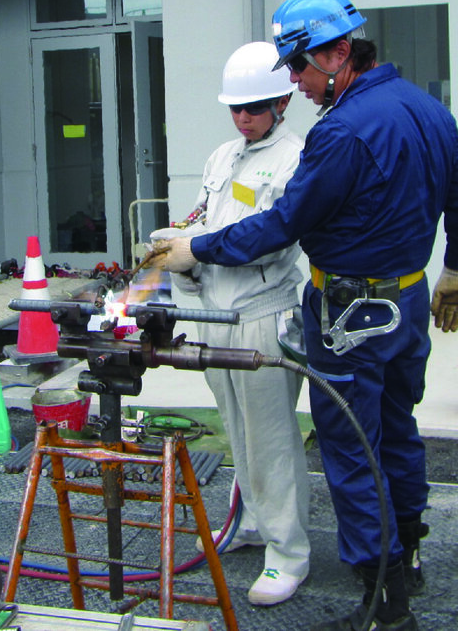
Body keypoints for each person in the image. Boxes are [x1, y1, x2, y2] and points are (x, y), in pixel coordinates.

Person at [149, 0, 458, 631]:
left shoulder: (341, 133)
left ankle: (384, 603)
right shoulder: (428, 109)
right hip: (410, 298)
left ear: (336, 53)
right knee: (395, 424)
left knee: (351, 444)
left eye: (299, 68)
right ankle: (407, 551)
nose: (297, 85)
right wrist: (457, 271)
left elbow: (282, 225)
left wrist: (198, 247)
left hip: (349, 311)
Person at [161, 41, 311, 606]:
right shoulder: (223, 156)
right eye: (235, 109)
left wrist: (196, 250)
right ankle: (251, 522)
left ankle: (288, 553)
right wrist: (177, 246)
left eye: (253, 109)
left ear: (280, 103)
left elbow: (272, 241)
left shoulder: (298, 158)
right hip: (214, 313)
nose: (243, 119)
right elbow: (205, 215)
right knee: (236, 428)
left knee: (271, 438)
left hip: (262, 312)